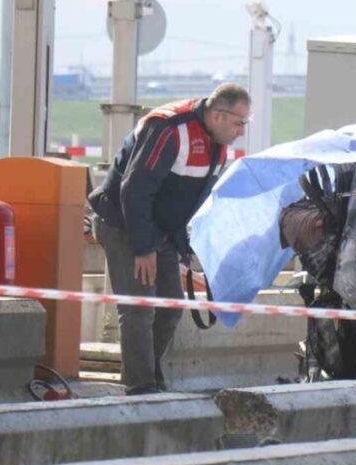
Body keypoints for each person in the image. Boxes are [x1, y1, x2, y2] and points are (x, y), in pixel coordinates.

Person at [88, 83, 251, 394]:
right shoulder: (169, 128)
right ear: (218, 116)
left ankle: (147, 375)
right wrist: (144, 247)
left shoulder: (217, 141)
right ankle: (141, 386)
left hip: (160, 230)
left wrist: (181, 247)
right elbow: (134, 190)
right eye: (239, 122)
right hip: (124, 224)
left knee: (171, 307)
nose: (242, 131)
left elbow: (188, 198)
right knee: (139, 309)